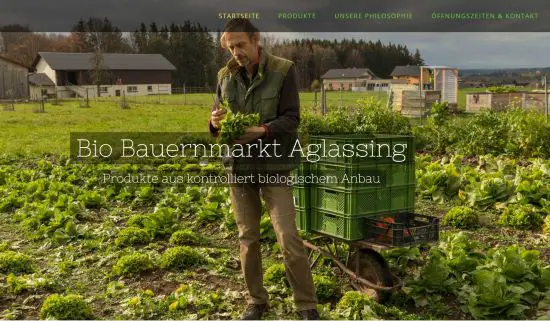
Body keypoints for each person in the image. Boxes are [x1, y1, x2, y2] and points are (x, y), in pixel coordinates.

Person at [208, 18, 319, 320]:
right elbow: (217, 119)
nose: (236, 53)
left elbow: (292, 119)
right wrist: (214, 123)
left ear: (256, 39)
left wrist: (262, 130)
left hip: (274, 165)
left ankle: (306, 305)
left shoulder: (283, 70)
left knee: (288, 237)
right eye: (231, 47)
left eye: (240, 45)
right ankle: (256, 300)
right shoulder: (224, 76)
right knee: (248, 237)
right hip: (239, 167)